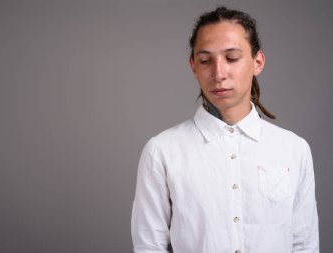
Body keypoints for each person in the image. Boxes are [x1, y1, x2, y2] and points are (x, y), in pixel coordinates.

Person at [131, 6, 319, 253]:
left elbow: (304, 243)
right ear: (193, 66)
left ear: (257, 62)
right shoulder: (163, 151)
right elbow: (149, 246)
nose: (219, 73)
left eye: (231, 58)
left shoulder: (294, 149)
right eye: (206, 60)